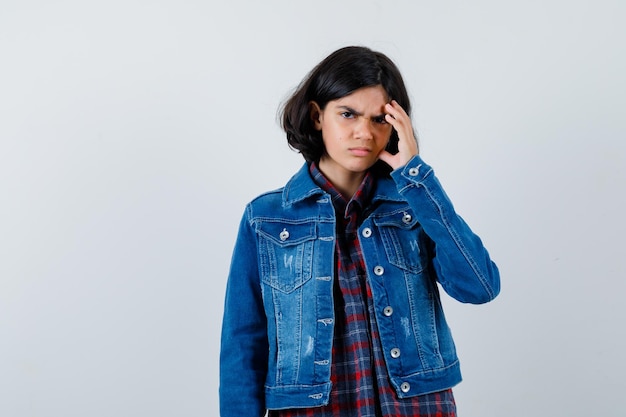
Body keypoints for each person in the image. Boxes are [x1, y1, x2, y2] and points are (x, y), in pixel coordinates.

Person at [219, 45, 500, 417]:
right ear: (317, 116)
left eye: (379, 119)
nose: (364, 132)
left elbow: (479, 286)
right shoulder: (267, 219)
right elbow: (243, 344)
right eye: (348, 114)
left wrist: (416, 179)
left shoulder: (414, 206)